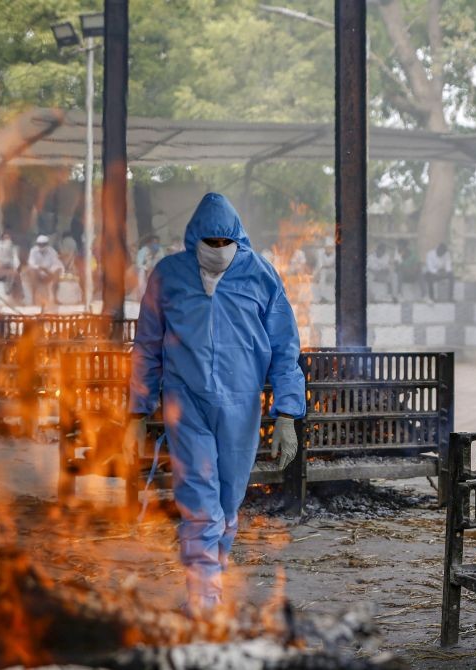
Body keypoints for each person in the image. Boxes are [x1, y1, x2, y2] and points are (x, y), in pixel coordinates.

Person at [128, 193, 305, 616]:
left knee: (228, 502)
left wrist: (287, 414)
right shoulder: (168, 275)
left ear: (238, 241)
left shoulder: (261, 276)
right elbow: (147, 345)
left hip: (241, 406)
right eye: (210, 242)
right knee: (201, 501)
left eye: (225, 243)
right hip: (184, 403)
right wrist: (137, 411)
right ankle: (203, 596)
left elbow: (285, 348)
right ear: (194, 240)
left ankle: (211, 579)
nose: (217, 250)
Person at [21, 234, 64, 309]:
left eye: (43, 244)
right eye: (39, 244)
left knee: (57, 271)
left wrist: (48, 271)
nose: (41, 246)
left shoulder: (52, 251)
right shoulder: (33, 251)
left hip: (49, 273)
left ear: (47, 244)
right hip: (38, 272)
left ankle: (55, 297)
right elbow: (31, 263)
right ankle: (34, 298)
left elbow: (56, 264)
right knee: (31, 271)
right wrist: (41, 268)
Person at [314, 237, 334, 303]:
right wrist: (317, 274)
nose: (328, 249)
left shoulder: (336, 254)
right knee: (321, 275)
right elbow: (320, 264)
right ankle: (321, 298)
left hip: (333, 271)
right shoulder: (320, 252)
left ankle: (331, 299)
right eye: (327, 247)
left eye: (330, 247)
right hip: (323, 270)